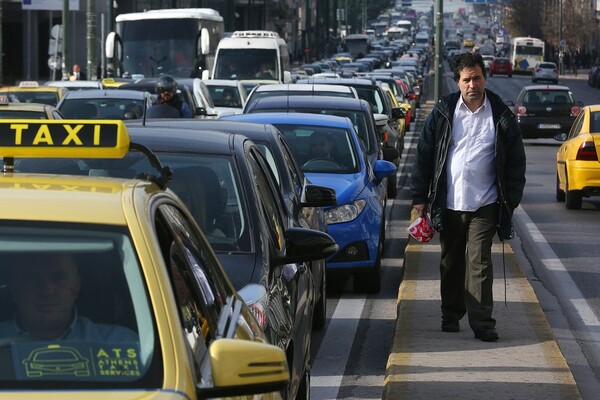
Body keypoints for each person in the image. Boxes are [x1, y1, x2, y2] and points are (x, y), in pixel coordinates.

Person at [410, 52, 526, 342]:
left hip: (485, 202)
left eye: (476, 77)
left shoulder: (501, 116)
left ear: (484, 77)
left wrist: (509, 202)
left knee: (479, 261)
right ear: (457, 81)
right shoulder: (442, 112)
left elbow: (515, 163)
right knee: (450, 262)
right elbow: (424, 156)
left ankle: (483, 322)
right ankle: (451, 314)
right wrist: (419, 200)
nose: (472, 84)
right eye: (466, 79)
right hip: (449, 201)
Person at [0, 253, 138, 341]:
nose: (47, 291)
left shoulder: (119, 342)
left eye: (58, 278)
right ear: (14, 289)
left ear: (76, 286)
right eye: (33, 279)